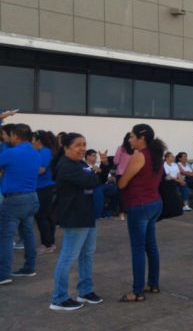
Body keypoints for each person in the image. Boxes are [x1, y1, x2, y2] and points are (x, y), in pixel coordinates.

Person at [49, 133, 105, 311]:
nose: (82, 148)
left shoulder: (78, 164)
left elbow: (96, 180)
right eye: (77, 145)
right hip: (75, 216)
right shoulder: (66, 166)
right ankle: (59, 298)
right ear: (66, 148)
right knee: (68, 257)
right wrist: (97, 172)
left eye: (84, 144)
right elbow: (92, 181)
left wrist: (103, 165)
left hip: (86, 214)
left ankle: (85, 291)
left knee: (87, 254)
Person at [117, 124, 166, 302]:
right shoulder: (156, 155)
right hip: (154, 203)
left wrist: (119, 176)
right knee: (151, 246)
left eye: (132, 137)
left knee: (138, 248)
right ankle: (153, 283)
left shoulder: (139, 156)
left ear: (141, 138)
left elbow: (122, 183)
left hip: (139, 205)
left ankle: (137, 291)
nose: (130, 140)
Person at [0, 123, 40, 286]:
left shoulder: (10, 153)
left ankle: (3, 274)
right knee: (28, 233)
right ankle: (29, 267)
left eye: (7, 135)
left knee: (5, 237)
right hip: (32, 197)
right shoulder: (35, 152)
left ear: (15, 136)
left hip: (15, 199)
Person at [32, 130, 58, 254]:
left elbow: (40, 170)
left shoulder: (44, 152)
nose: (31, 142)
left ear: (38, 141)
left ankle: (46, 243)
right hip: (44, 187)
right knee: (47, 216)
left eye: (32, 139)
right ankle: (50, 243)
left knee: (42, 216)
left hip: (44, 187)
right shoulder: (43, 151)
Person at [113, 133, 134, 221]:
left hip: (121, 174)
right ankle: (129, 212)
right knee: (130, 194)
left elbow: (115, 161)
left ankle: (121, 214)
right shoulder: (136, 151)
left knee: (122, 194)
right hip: (132, 174)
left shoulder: (121, 149)